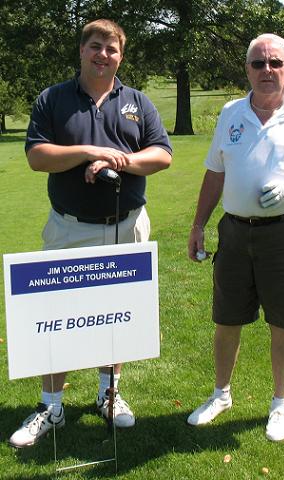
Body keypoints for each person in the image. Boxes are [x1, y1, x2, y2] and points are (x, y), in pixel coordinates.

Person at [9, 19, 172, 448]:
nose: (104, 54)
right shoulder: (54, 99)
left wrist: (119, 161)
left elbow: (161, 154)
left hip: (126, 225)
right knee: (57, 317)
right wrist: (90, 151)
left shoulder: (137, 102)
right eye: (96, 46)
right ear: (82, 50)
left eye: (112, 49)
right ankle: (51, 405)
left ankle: (109, 394)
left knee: (117, 315)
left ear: (121, 55)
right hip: (70, 228)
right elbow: (37, 156)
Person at [187, 33, 284, 442]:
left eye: (275, 63)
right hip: (235, 233)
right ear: (247, 71)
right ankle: (221, 394)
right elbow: (215, 172)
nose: (266, 70)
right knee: (227, 318)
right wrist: (199, 224)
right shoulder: (231, 113)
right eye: (258, 64)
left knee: (283, 323)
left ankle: (279, 403)